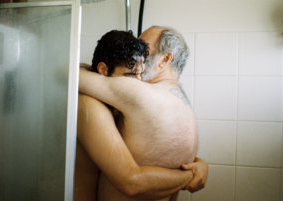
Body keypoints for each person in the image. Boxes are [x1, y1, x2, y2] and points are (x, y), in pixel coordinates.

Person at [76, 29, 208, 201]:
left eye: (144, 46)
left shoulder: (140, 95)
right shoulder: (182, 104)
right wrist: (192, 173)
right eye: (131, 74)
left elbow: (71, 73)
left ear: (166, 59)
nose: (137, 50)